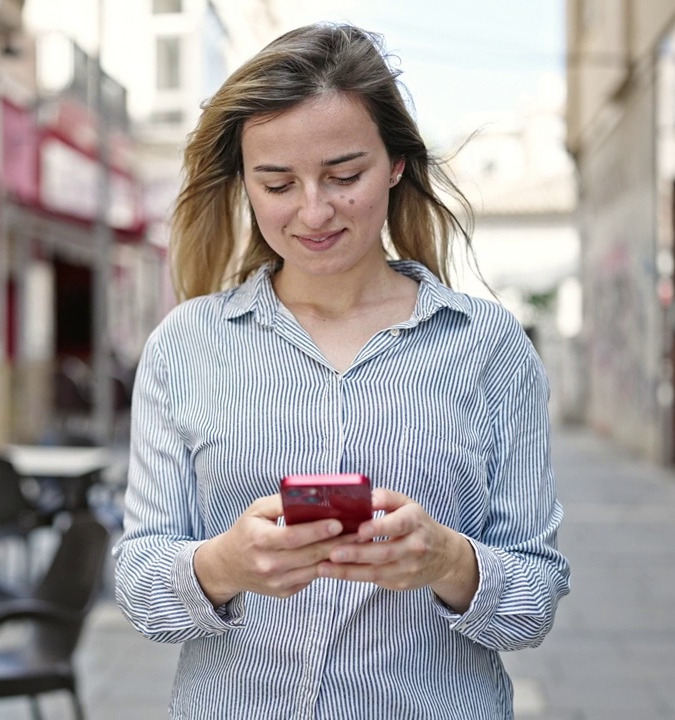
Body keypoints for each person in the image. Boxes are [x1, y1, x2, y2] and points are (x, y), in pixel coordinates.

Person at [112, 22, 570, 719]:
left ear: (395, 164)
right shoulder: (185, 346)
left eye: (343, 175)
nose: (313, 210)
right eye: (277, 183)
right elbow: (142, 588)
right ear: (244, 184)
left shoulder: (487, 347)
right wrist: (224, 565)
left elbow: (533, 602)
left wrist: (447, 560)